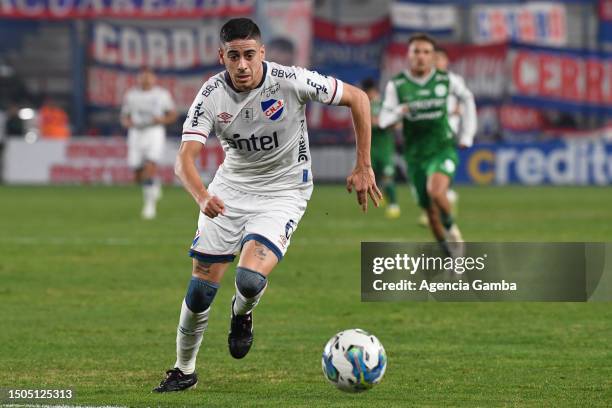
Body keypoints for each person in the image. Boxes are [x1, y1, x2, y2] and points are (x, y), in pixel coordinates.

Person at [153, 18, 381, 393]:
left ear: (262, 53)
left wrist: (363, 164)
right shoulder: (210, 95)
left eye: (248, 55)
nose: (241, 65)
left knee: (249, 278)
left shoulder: (291, 80)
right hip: (229, 191)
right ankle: (184, 370)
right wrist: (202, 196)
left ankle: (242, 314)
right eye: (233, 56)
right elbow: (184, 160)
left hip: (284, 192)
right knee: (199, 291)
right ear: (221, 57)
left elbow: (359, 97)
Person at [379, 33, 476, 257]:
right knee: (430, 213)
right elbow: (384, 119)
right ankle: (451, 255)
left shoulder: (447, 80)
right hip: (414, 156)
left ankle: (454, 232)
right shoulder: (398, 85)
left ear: (433, 57)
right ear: (408, 55)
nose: (421, 57)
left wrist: (467, 134)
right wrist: (398, 112)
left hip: (442, 149)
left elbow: (467, 99)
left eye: (426, 52)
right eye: (416, 52)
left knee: (436, 190)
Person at [417, 46, 472, 228]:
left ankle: (438, 209)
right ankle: (438, 206)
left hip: (447, 135)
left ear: (446, 61)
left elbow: (464, 105)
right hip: (426, 135)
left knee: (438, 175)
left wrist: (466, 134)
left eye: (439, 58)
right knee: (426, 175)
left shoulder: (454, 81)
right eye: (434, 59)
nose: (436, 62)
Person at [120, 67, 177, 220]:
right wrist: (127, 123)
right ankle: (154, 184)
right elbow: (125, 117)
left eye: (148, 76)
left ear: (153, 78)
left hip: (154, 133)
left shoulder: (161, 94)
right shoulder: (131, 95)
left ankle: (149, 206)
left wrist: (162, 120)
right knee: (138, 176)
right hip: (136, 134)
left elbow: (172, 114)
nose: (145, 79)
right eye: (142, 76)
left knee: (150, 167)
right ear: (138, 78)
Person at [361, 78, 400, 219]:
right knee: (372, 178)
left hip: (385, 149)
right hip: (370, 150)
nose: (367, 93)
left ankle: (394, 205)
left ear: (374, 91)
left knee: (388, 176)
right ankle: (381, 197)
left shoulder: (385, 105)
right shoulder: (363, 105)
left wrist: (382, 122)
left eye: (368, 91)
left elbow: (397, 124)